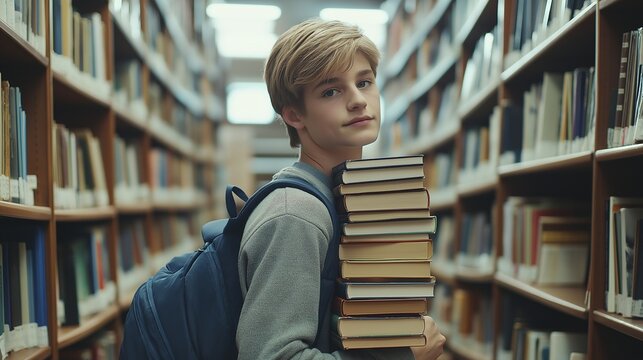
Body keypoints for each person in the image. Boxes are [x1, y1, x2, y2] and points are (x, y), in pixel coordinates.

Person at [236, 18, 446, 359]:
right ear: (294, 115)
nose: (358, 101)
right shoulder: (297, 214)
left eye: (364, 82)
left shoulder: (344, 196)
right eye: (331, 91)